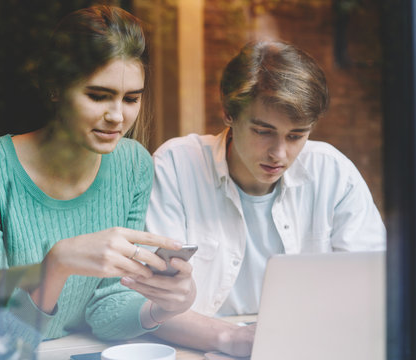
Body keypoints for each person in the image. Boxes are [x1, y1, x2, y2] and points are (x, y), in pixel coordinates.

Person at [0, 5, 195, 348]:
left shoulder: (134, 164)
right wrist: (57, 265)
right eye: (98, 95)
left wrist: (164, 307)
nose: (116, 116)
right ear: (55, 88)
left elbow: (108, 306)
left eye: (131, 99)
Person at [145, 40, 386, 356]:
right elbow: (148, 301)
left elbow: (376, 290)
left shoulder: (333, 173)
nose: (279, 153)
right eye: (263, 131)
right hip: (200, 348)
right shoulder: (176, 166)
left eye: (296, 135)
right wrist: (236, 339)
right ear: (229, 113)